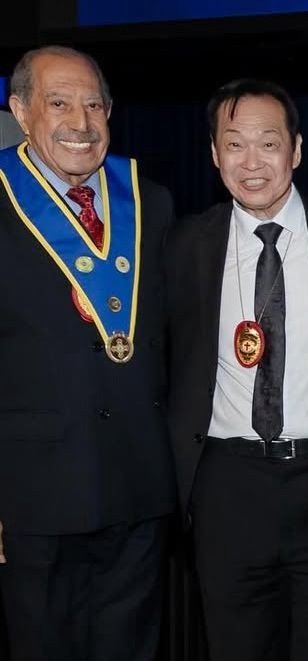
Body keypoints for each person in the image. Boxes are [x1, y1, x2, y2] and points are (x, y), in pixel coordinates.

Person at [164, 79, 308, 661]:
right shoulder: (184, 245)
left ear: (297, 150)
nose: (252, 162)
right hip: (228, 485)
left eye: (268, 143)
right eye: (235, 144)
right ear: (213, 154)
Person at [0, 45, 176, 660]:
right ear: (20, 112)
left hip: (140, 487)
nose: (81, 122)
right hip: (33, 494)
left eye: (94, 104)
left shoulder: (152, 201)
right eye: (58, 103)